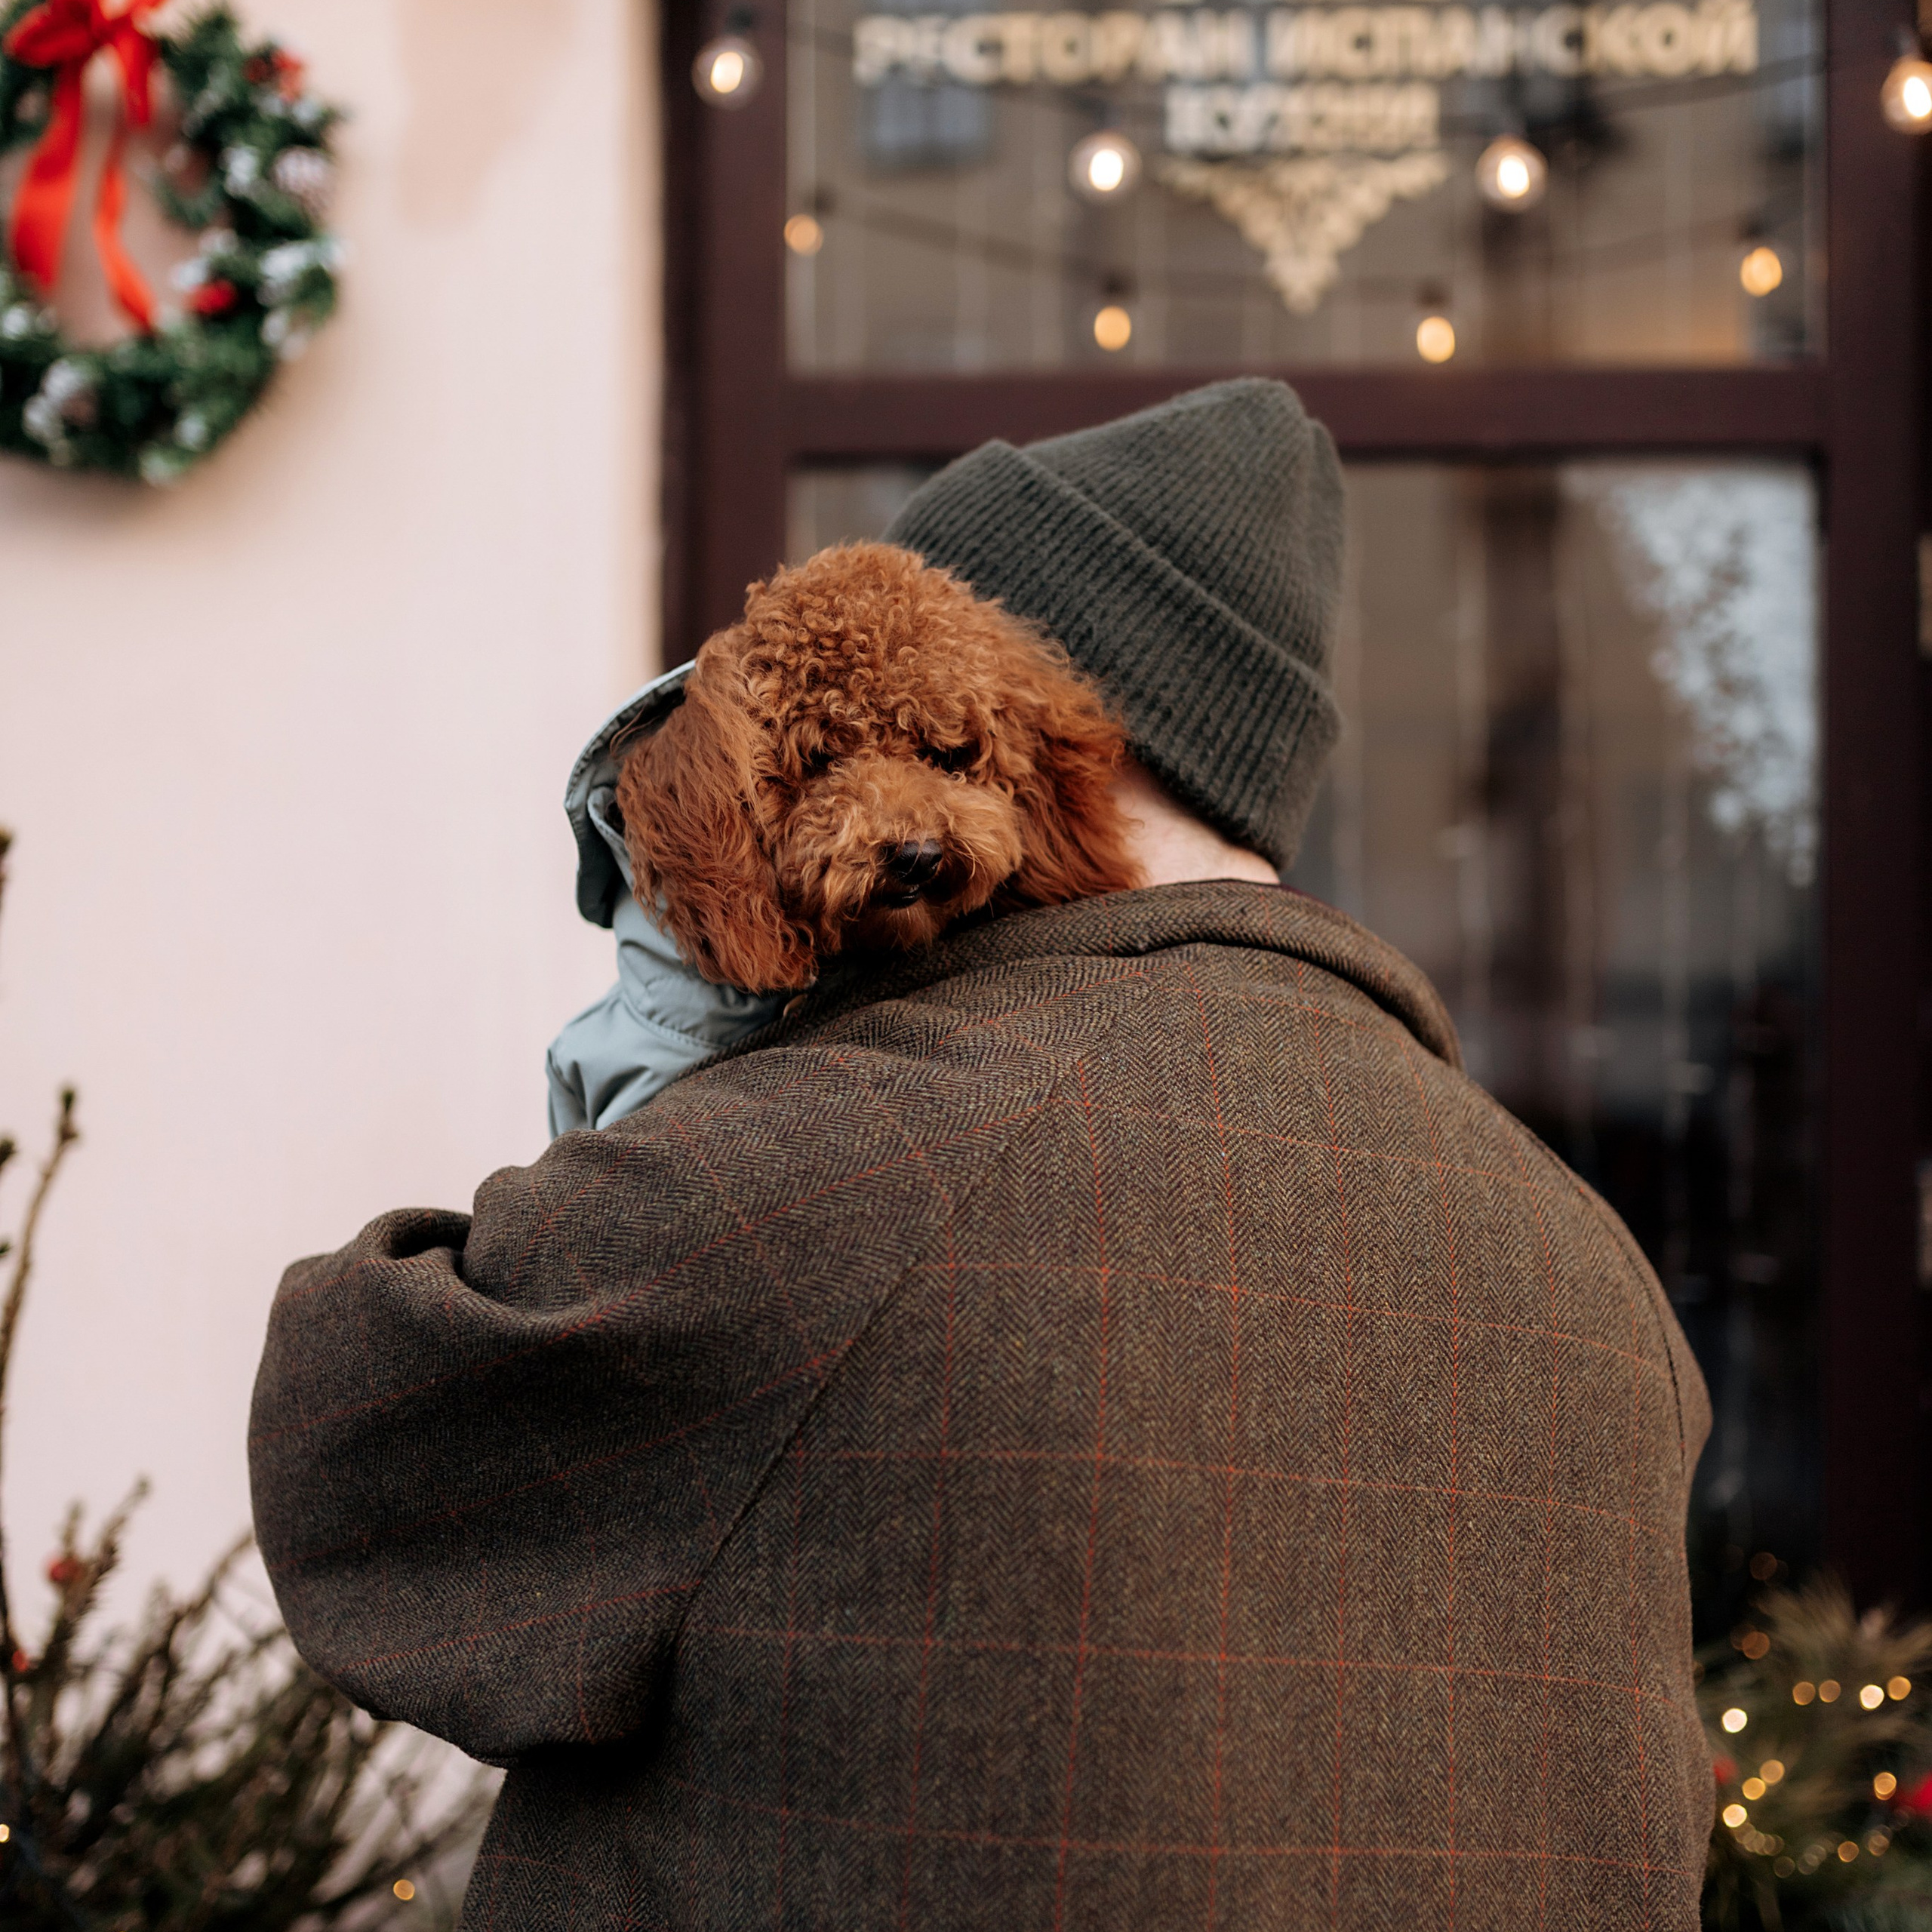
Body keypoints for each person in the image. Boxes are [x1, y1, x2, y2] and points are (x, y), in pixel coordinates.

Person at [249, 378, 1712, 1929]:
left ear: (1021, 713)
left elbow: (355, 1453)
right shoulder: (1584, 1262)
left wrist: (674, 1009)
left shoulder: (834, 1167)